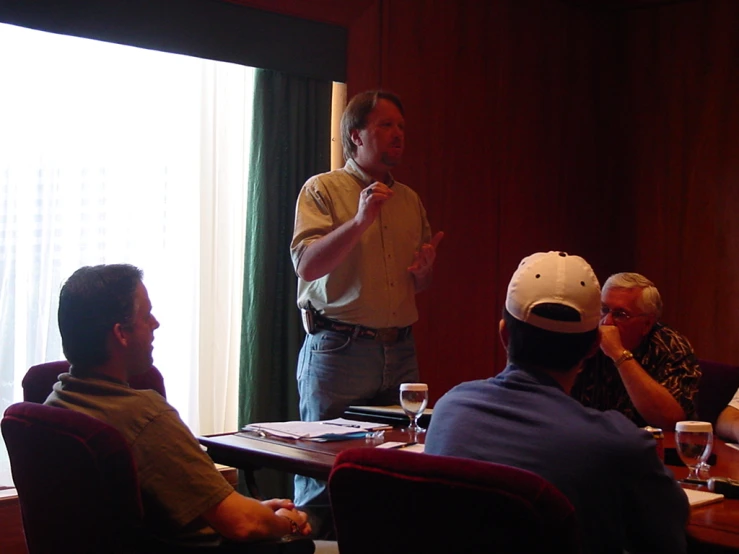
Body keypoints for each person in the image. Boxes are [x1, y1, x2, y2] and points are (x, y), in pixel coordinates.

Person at [46, 264, 337, 553]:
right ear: (121, 333)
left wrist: (256, 511)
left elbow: (193, 506)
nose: (155, 323)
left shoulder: (56, 405)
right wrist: (287, 524)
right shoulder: (145, 418)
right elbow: (242, 525)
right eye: (146, 315)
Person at [425, 251, 689, 554]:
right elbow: (669, 534)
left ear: (504, 335)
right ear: (593, 347)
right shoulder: (621, 446)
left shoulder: (448, 409)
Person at [289, 89, 443, 534]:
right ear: (355, 135)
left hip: (400, 352)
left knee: (395, 471)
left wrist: (425, 271)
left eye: (401, 127)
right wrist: (359, 222)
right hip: (339, 350)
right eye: (385, 126)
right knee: (325, 481)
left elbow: (419, 282)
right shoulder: (322, 190)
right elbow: (307, 265)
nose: (398, 135)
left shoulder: (410, 199)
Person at [570, 272, 701, 429]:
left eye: (620, 314)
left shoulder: (671, 347)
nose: (607, 322)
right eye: (604, 309)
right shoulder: (585, 335)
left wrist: (619, 354)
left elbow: (670, 420)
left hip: (650, 446)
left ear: (647, 324)